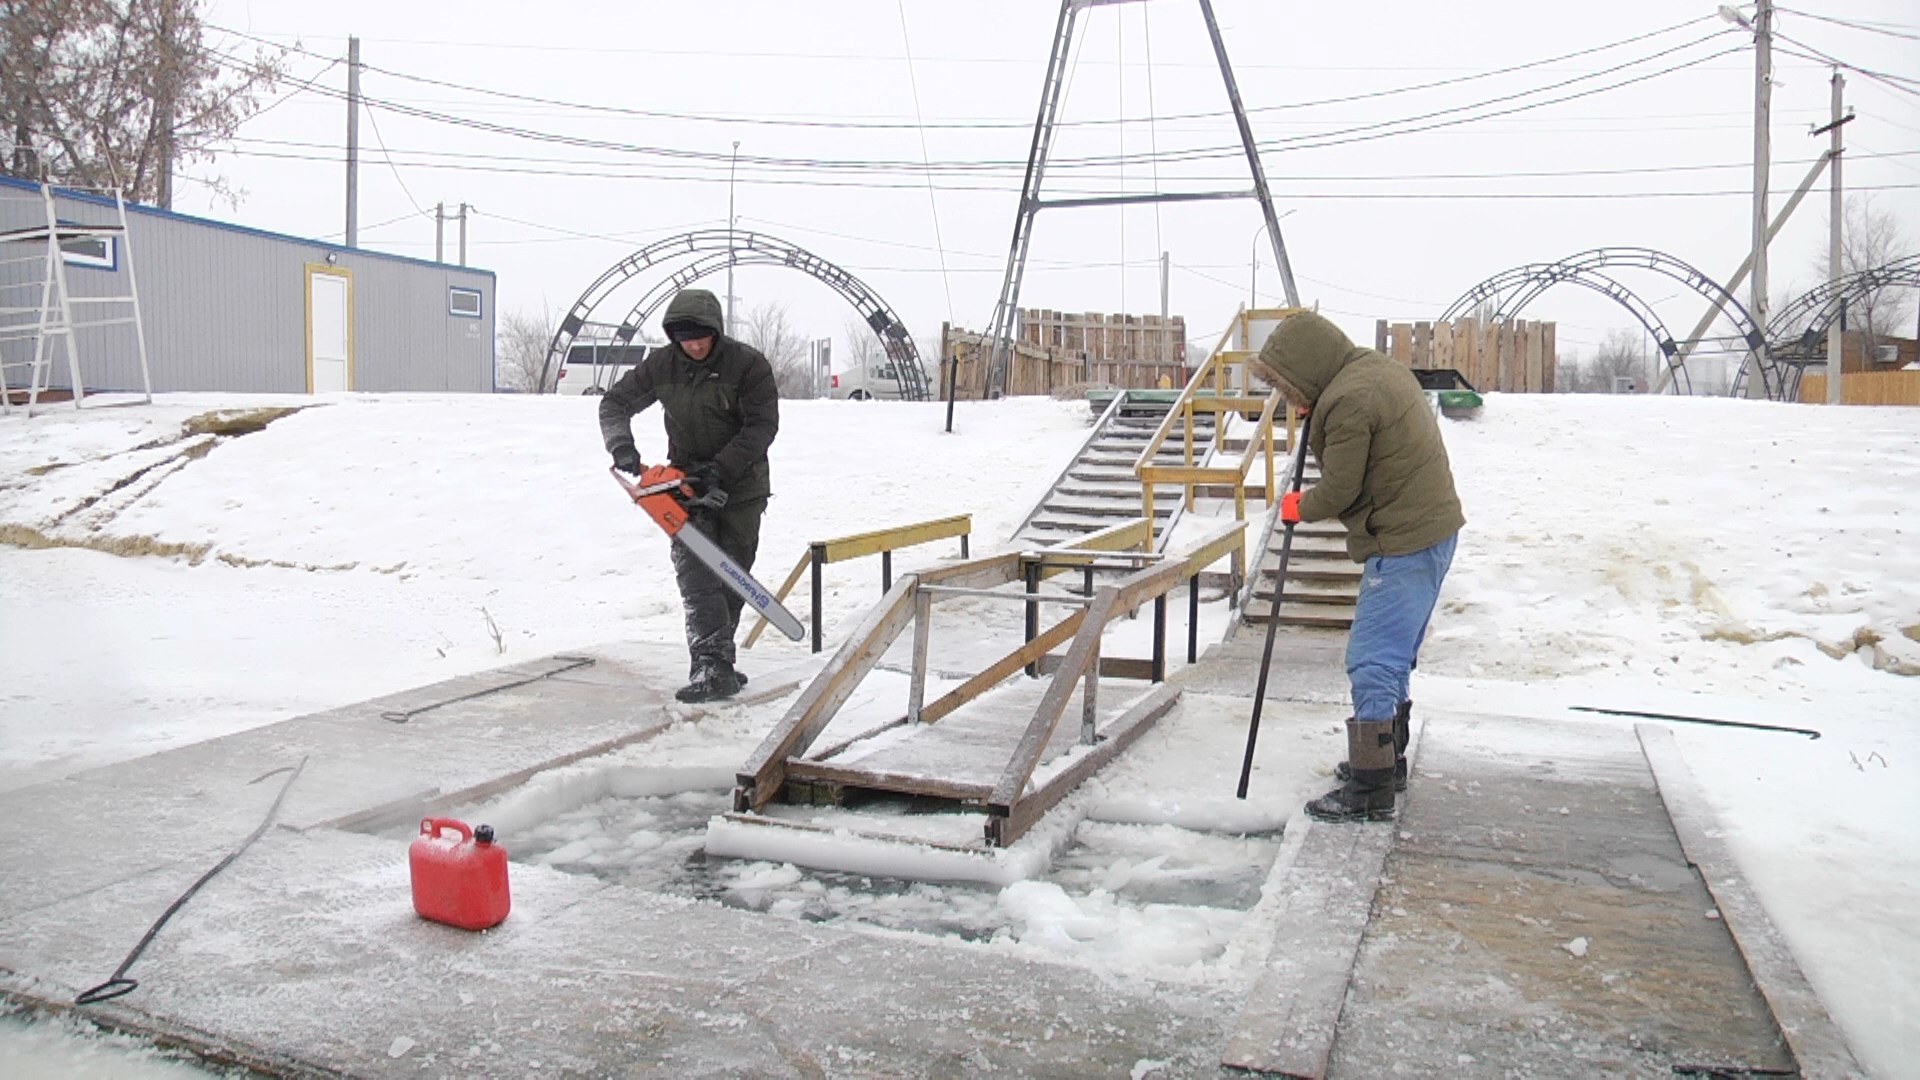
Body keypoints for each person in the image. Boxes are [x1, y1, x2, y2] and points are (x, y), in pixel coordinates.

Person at [1252, 311, 1464, 822]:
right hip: (1428, 531)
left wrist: (1298, 507)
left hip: (1404, 541)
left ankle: (1371, 789)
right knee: (1391, 658)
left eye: (1289, 386)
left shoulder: (1349, 399)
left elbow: (1341, 489)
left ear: (1306, 367)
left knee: (1371, 658)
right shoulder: (1372, 370)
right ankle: (1385, 761)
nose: (1289, 397)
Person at [599, 288, 780, 704]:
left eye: (701, 336)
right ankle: (709, 666)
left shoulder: (748, 365)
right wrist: (621, 448)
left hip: (741, 486)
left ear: (716, 331)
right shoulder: (663, 365)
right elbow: (614, 404)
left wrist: (720, 469)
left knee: (733, 575)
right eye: (684, 338)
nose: (693, 345)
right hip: (681, 487)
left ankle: (720, 661)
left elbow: (762, 426)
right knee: (697, 576)